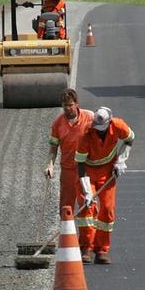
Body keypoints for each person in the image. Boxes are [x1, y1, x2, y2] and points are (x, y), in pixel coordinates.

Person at [75, 106, 134, 265]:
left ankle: (101, 250)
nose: (99, 131)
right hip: (87, 172)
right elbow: (80, 164)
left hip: (107, 172)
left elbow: (130, 140)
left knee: (107, 210)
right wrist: (87, 191)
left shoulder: (118, 125)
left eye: (102, 129)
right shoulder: (85, 134)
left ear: (109, 122)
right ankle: (85, 248)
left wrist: (121, 160)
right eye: (97, 128)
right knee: (87, 209)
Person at [45, 89, 95, 261]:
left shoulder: (89, 117)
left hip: (86, 171)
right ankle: (68, 243)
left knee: (86, 207)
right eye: (64, 106)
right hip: (67, 170)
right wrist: (50, 165)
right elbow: (53, 147)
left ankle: (86, 247)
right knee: (66, 208)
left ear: (76, 104)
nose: (67, 109)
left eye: (70, 105)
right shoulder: (58, 123)